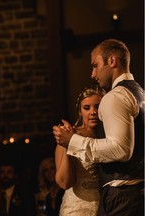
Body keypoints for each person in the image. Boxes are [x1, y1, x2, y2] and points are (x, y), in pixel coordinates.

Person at [53, 39, 144, 216]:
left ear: (112, 61)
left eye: (95, 65)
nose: (93, 74)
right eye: (87, 108)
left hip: (122, 197)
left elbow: (120, 149)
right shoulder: (139, 92)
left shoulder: (115, 96)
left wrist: (73, 141)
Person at [55, 85, 106, 215]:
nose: (93, 112)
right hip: (77, 208)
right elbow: (64, 183)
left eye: (98, 106)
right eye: (86, 108)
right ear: (80, 111)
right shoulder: (70, 135)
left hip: (105, 207)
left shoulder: (109, 137)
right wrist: (69, 143)